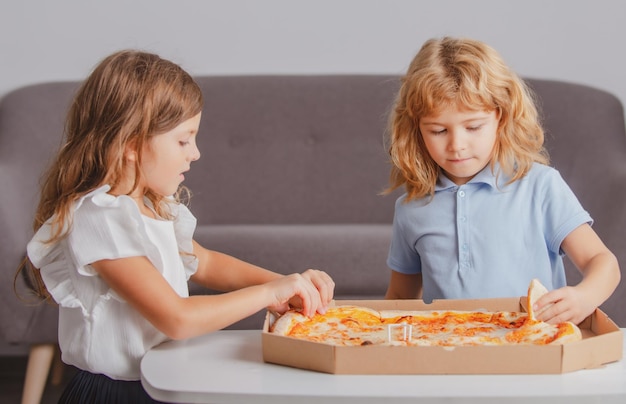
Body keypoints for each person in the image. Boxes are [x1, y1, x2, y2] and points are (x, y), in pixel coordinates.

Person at [18, 50, 335, 403]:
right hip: (117, 394)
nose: (195, 152)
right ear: (132, 144)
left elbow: (207, 262)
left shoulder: (153, 205)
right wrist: (268, 294)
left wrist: (286, 284)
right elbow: (176, 318)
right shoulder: (98, 217)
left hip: (162, 380)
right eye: (183, 140)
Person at [383, 37, 620, 326]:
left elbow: (603, 262)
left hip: (533, 349)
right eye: (438, 130)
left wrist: (584, 297)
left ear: (501, 116)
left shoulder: (540, 186)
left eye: (473, 127)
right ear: (415, 129)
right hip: (449, 356)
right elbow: (400, 296)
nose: (457, 145)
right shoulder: (412, 208)